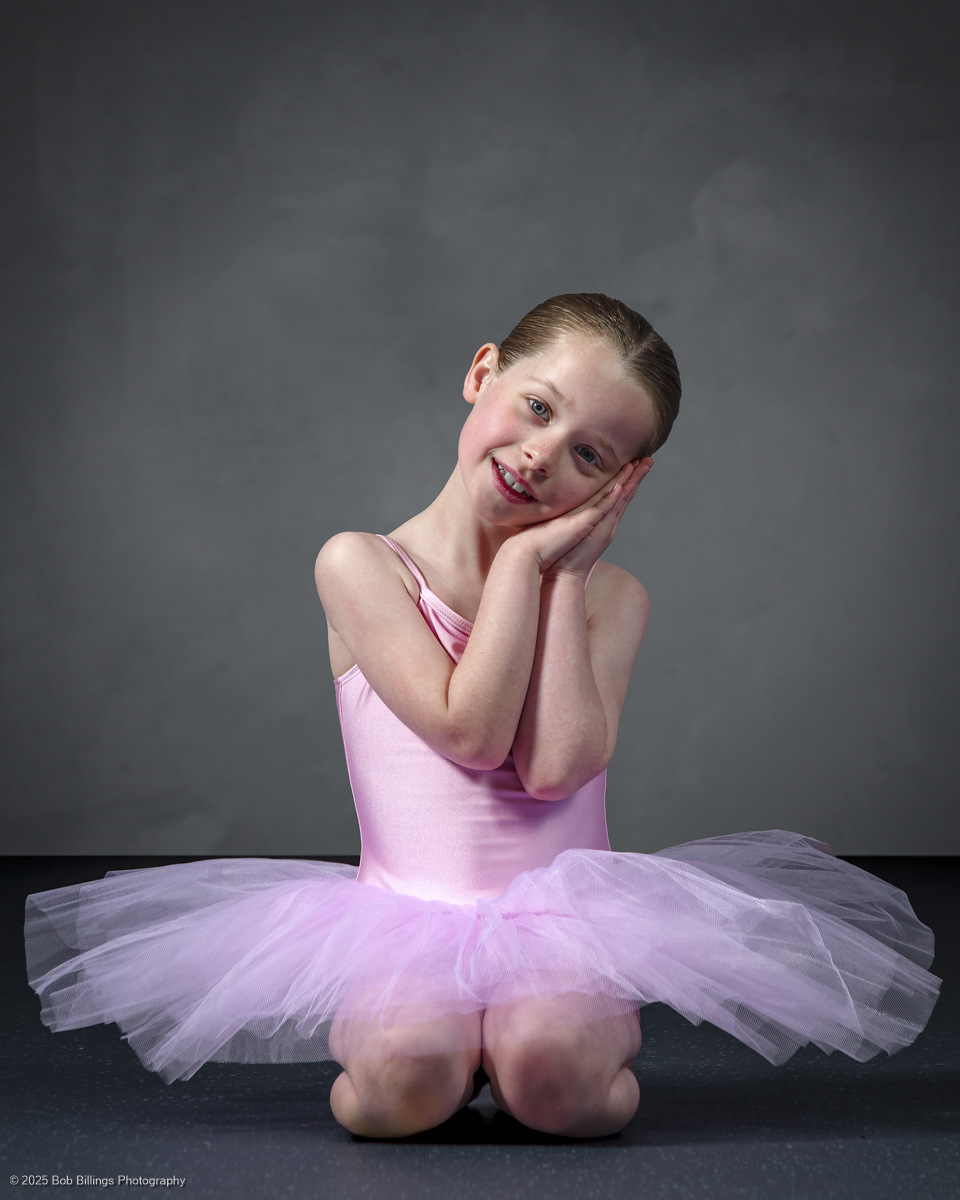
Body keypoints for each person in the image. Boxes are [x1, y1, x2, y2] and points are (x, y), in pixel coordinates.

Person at [25, 294, 940, 1141]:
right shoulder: (361, 567)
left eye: (591, 456)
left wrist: (561, 577)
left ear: (624, 483)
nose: (543, 455)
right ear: (482, 372)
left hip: (565, 927)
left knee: (557, 1084)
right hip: (404, 917)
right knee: (402, 1086)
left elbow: (553, 769)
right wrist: (518, 567)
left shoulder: (611, 598)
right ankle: (445, 1056)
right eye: (537, 408)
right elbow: (471, 734)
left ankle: (531, 1053)